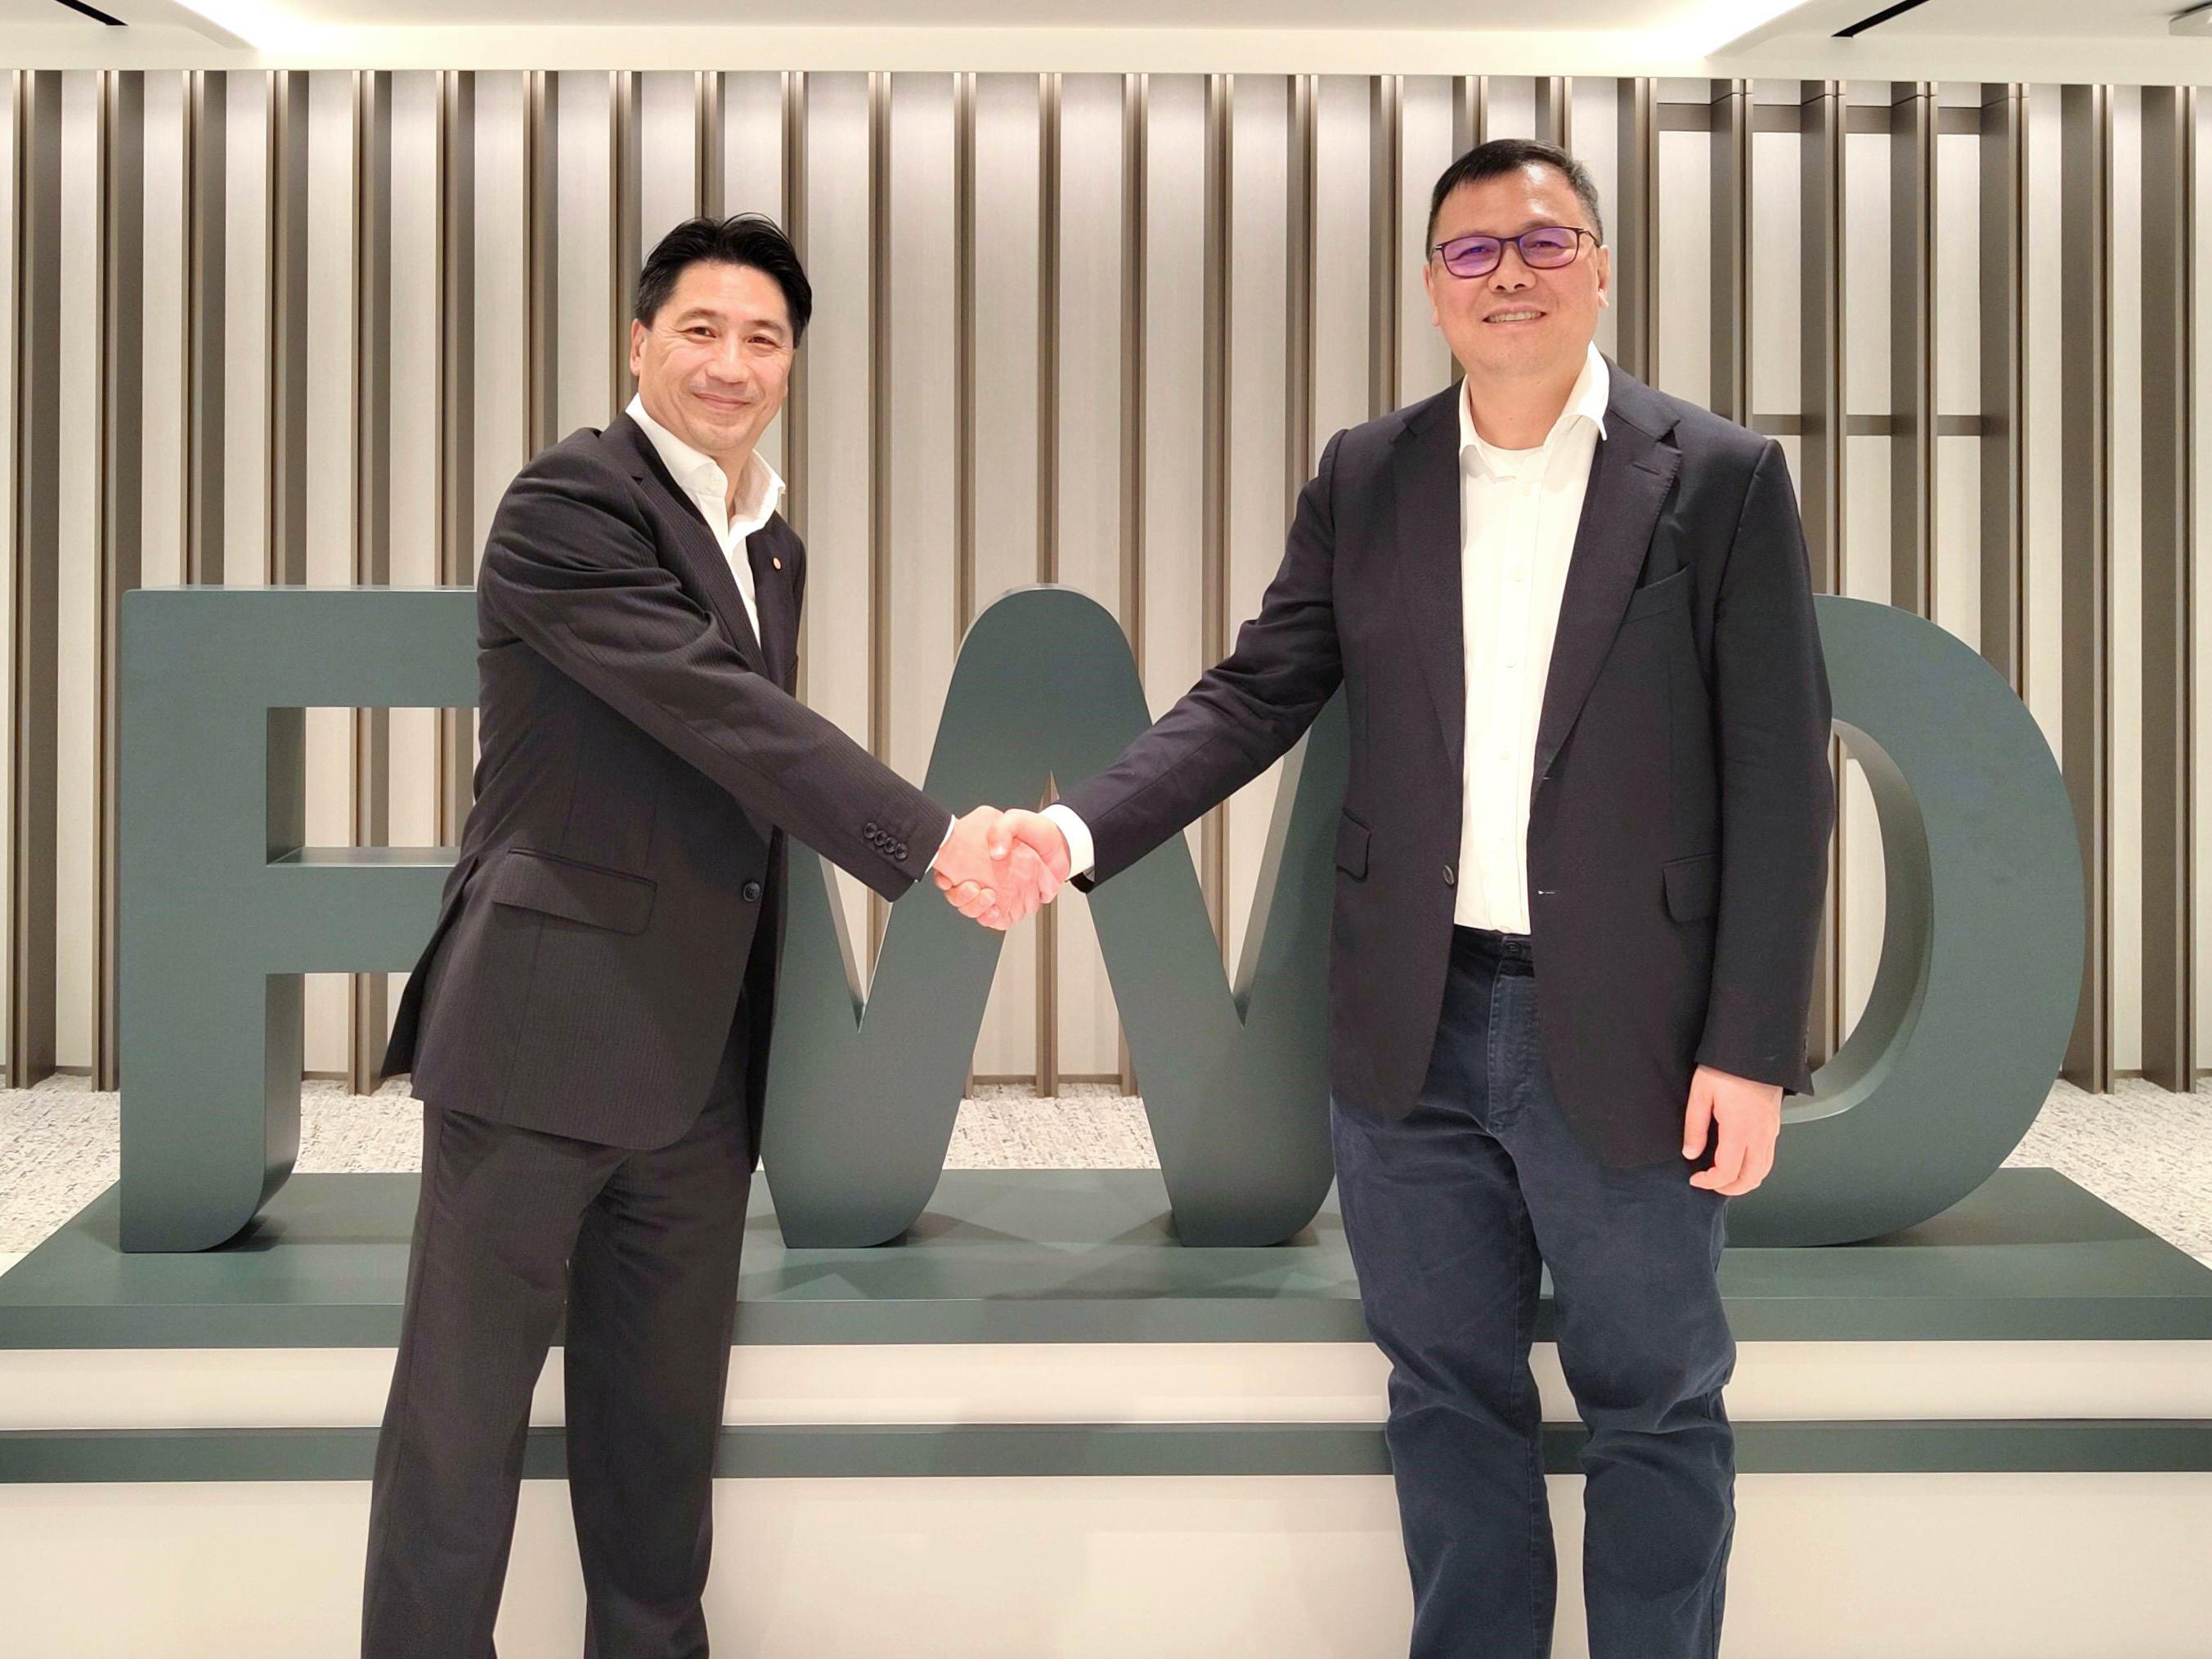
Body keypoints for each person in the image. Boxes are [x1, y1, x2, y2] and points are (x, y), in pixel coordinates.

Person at [957, 139, 1833, 1658]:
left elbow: (1780, 779)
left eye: (1543, 244)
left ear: (1602, 266)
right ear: (1432, 287)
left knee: (1655, 1399)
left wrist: (1751, 1042)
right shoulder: (1369, 474)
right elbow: (1253, 692)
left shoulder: (1721, 477)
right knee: (1445, 1394)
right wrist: (1077, 829)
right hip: (1412, 1024)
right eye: (1473, 251)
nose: (1510, 274)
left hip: (1633, 1025)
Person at [365, 214, 1056, 1657]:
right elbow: (725, 717)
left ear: (791, 363)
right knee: (457, 1444)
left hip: (696, 1066)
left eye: (762, 339)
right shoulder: (570, 500)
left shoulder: (772, 540)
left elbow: (729, 779)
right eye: (700, 329)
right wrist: (935, 842)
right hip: (539, 1043)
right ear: (638, 342)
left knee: (660, 1456)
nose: (730, 363)